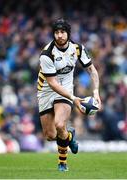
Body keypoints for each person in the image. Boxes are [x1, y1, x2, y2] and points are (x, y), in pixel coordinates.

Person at [37, 18, 101, 171]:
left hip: (65, 88)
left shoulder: (77, 48)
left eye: (62, 32)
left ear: (68, 33)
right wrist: (75, 99)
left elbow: (92, 70)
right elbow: (52, 83)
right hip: (46, 89)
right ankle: (70, 135)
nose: (59, 35)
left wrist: (96, 92)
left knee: (60, 125)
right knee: (50, 135)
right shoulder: (47, 53)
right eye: (56, 32)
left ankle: (62, 163)